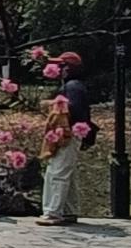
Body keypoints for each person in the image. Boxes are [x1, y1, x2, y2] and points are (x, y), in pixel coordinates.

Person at [37, 51, 95, 224]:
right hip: (72, 134)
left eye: (61, 66)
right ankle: (69, 210)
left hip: (67, 134)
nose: (58, 69)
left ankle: (53, 212)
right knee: (67, 173)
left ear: (68, 68)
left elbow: (72, 111)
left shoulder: (72, 87)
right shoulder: (75, 86)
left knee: (57, 172)